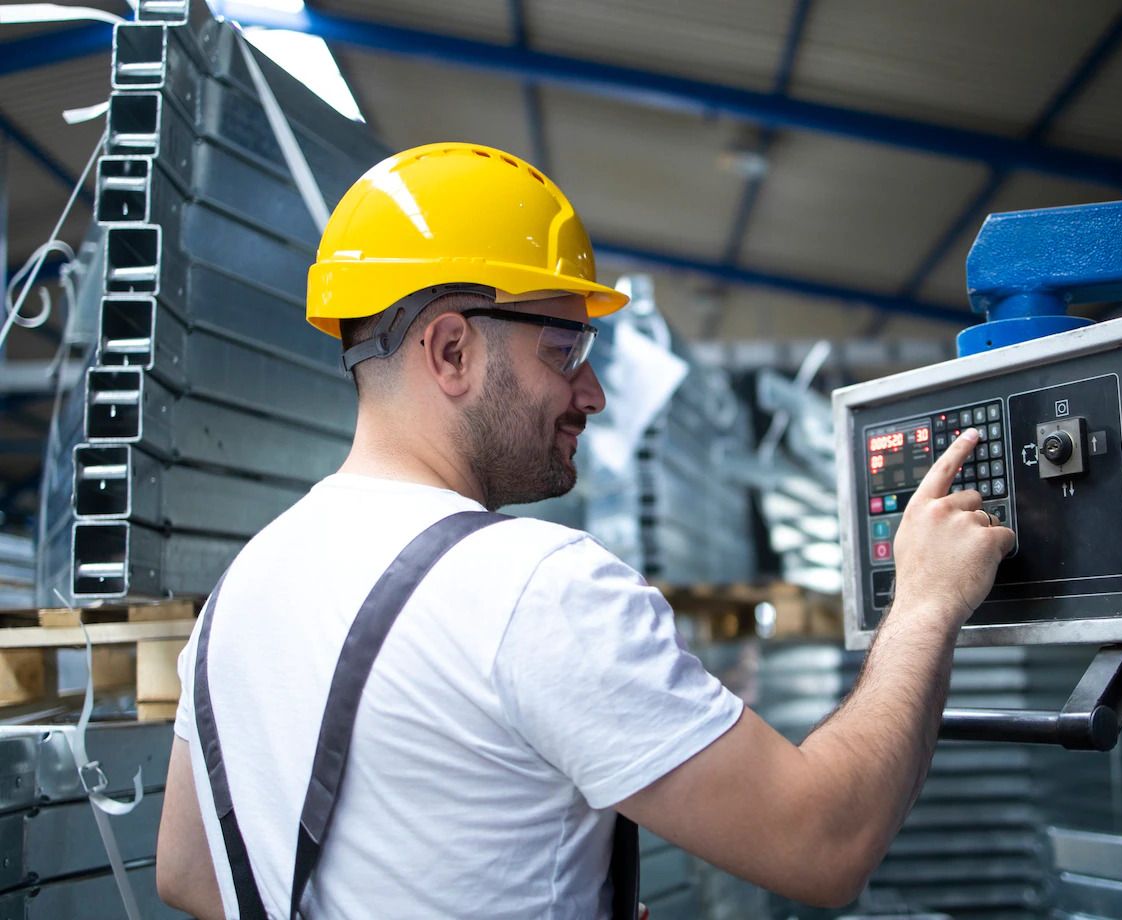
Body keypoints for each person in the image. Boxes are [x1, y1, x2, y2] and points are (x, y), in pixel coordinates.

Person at [156, 142, 1014, 919]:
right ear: (451, 351)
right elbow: (824, 844)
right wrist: (926, 603)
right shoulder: (533, 587)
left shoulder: (239, 593)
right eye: (563, 348)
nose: (594, 393)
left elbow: (190, 876)